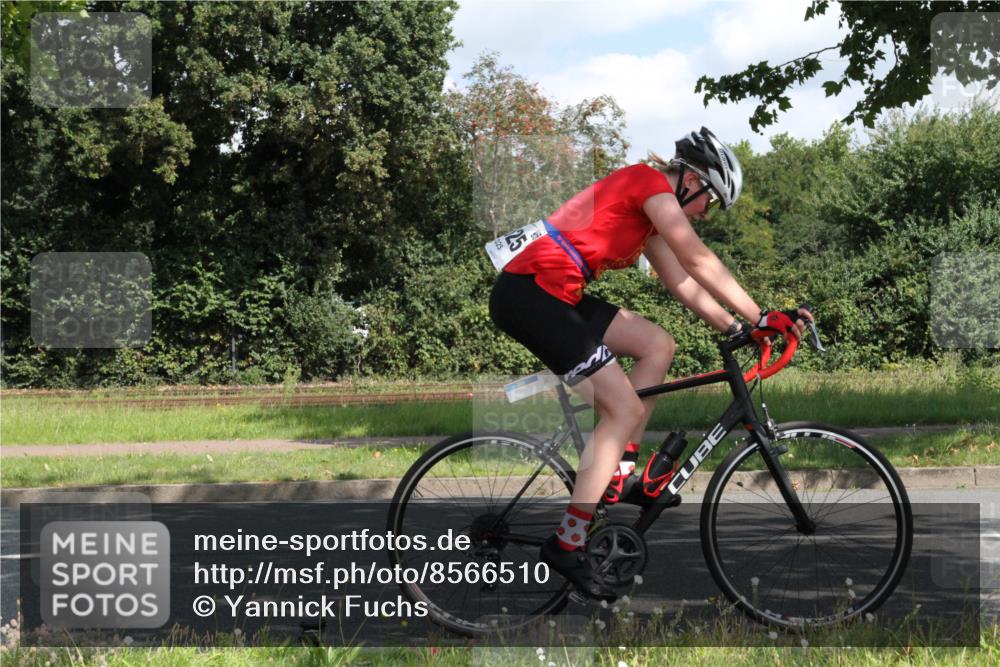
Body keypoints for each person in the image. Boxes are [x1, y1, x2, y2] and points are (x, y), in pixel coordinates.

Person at [487, 127, 813, 601]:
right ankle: (568, 542)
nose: (706, 212)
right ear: (691, 179)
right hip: (532, 293)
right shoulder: (648, 184)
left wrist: (736, 329)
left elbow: (683, 283)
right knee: (623, 409)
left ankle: (621, 471)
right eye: (710, 200)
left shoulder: (652, 217)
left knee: (658, 344)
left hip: (558, 292)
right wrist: (761, 315)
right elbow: (698, 259)